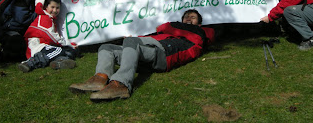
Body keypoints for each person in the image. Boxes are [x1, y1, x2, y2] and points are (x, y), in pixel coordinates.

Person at [69, 9, 215, 101]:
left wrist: (167, 27)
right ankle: (100, 78)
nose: (188, 18)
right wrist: (133, 41)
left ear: (199, 23)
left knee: (132, 41)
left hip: (163, 54)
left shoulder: (199, 33)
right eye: (186, 16)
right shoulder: (170, 31)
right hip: (149, 52)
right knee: (106, 47)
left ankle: (122, 84)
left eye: (193, 17)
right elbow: (159, 32)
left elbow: (165, 26)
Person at [0, 0, 49, 64]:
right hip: (10, 30)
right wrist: (39, 13)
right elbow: (22, 19)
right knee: (18, 47)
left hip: (25, 31)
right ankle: (0, 54)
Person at [17, 0, 77, 72]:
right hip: (36, 46)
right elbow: (51, 36)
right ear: (46, 7)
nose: (55, 10)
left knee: (69, 51)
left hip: (45, 46)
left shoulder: (51, 19)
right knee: (59, 50)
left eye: (57, 8)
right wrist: (66, 44)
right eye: (52, 7)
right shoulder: (44, 18)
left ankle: (59, 62)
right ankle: (29, 63)